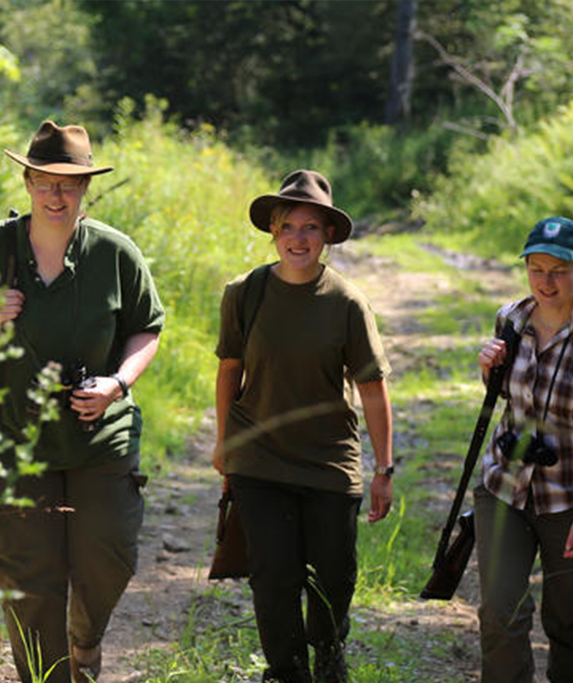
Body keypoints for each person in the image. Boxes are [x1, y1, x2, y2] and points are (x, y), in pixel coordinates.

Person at [0, 120, 164, 683]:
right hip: (14, 436)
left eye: (69, 183)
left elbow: (146, 329)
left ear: (86, 187)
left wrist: (117, 383)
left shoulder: (115, 252)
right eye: (45, 181)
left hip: (99, 437)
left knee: (105, 562)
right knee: (32, 580)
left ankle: (85, 641)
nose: (56, 194)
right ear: (27, 181)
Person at [212, 170, 394, 683]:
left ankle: (329, 653)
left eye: (311, 227)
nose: (298, 238)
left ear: (328, 235)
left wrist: (384, 467)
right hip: (259, 458)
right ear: (272, 230)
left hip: (329, 461)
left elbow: (373, 389)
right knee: (273, 578)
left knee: (333, 577)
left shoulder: (347, 304)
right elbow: (229, 370)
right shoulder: (244, 293)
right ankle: (286, 671)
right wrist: (224, 441)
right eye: (288, 225)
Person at [474, 217, 573, 683]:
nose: (546, 281)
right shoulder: (511, 319)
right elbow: (507, 399)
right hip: (504, 488)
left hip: (570, 498)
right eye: (536, 269)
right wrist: (489, 371)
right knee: (502, 617)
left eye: (558, 270)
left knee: (571, 623)